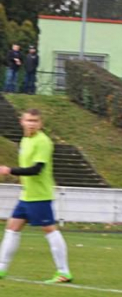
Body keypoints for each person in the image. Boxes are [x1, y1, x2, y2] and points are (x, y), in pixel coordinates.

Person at [0, 109, 72, 283]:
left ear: (41, 124)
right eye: (28, 120)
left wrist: (10, 170)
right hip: (26, 195)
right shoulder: (25, 140)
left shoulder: (43, 142)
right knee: (12, 228)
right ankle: (1, 269)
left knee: (49, 230)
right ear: (22, 121)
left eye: (35, 121)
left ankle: (64, 272)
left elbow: (36, 169)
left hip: (39, 195)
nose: (31, 123)